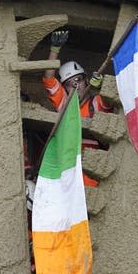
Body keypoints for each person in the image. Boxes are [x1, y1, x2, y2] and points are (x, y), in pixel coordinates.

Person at [42, 30, 113, 187]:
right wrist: (54, 50)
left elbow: (108, 102)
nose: (75, 85)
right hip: (66, 170)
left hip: (89, 172)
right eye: (69, 83)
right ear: (64, 87)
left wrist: (101, 85)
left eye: (78, 80)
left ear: (86, 81)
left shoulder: (95, 103)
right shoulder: (64, 104)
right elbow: (48, 79)